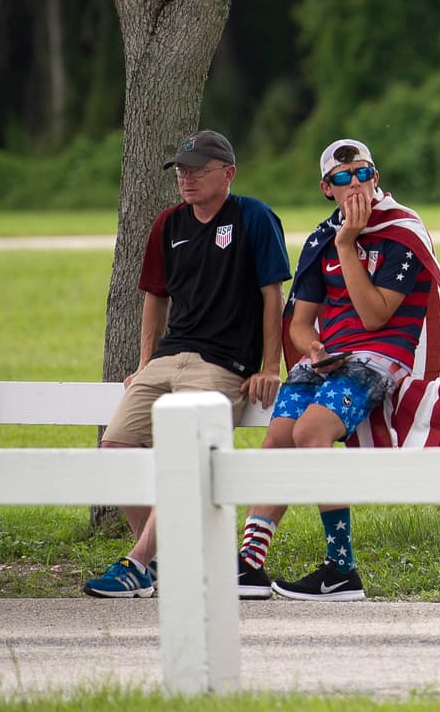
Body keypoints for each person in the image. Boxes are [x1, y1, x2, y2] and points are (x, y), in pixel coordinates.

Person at [236, 138, 440, 602]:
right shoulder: (320, 238)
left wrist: (347, 243)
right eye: (341, 177)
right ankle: (248, 565)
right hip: (331, 354)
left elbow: (375, 316)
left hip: (382, 355)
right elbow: (299, 321)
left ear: (376, 177)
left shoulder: (403, 231)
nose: (354, 184)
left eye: (363, 173)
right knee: (278, 436)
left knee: (311, 432)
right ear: (326, 188)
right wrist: (311, 348)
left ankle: (341, 569)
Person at [82, 130, 291, 598]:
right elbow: (155, 297)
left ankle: (137, 562)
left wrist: (269, 366)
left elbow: (272, 295)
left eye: (198, 169)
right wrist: (144, 361)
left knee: (187, 457)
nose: (187, 178)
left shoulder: (253, 217)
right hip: (167, 358)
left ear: (228, 173)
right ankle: (159, 561)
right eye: (181, 170)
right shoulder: (168, 224)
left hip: (222, 364)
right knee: (115, 448)